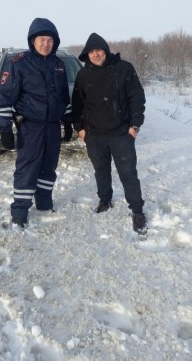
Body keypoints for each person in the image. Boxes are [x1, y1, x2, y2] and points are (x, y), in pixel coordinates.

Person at [0, 18, 73, 228]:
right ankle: (19, 213)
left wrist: (67, 120)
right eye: (41, 39)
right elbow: (3, 97)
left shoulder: (58, 65)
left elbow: (64, 96)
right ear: (32, 41)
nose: (45, 44)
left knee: (49, 166)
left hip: (52, 127)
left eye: (49, 40)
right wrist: (4, 127)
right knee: (27, 168)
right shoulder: (19, 63)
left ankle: (45, 204)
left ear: (54, 42)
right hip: (30, 126)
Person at [72, 33, 147, 234]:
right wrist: (80, 128)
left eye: (99, 50)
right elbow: (76, 105)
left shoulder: (124, 69)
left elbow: (137, 98)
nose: (96, 55)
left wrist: (135, 125)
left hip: (121, 134)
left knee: (128, 173)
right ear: (87, 54)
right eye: (91, 52)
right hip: (94, 136)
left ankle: (138, 210)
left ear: (105, 50)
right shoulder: (83, 75)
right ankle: (105, 200)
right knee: (101, 171)